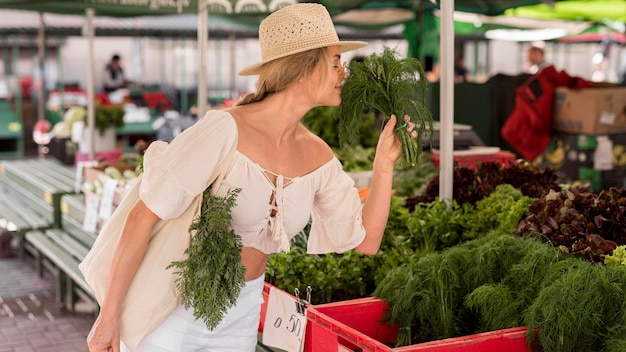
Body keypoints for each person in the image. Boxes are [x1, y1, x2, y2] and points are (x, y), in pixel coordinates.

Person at [86, 3, 416, 352]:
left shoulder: (318, 155)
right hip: (175, 309)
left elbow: (366, 242)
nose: (343, 73)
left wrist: (384, 164)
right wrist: (107, 318)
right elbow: (142, 216)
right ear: (303, 68)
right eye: (335, 61)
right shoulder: (224, 129)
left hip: (242, 312)